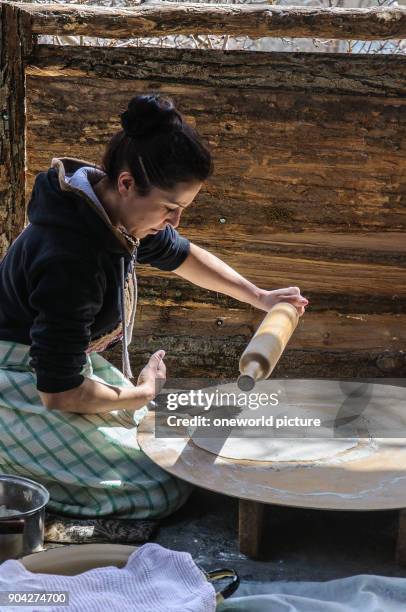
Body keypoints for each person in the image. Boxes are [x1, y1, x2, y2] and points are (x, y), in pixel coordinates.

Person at [0, 94, 308, 519]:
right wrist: (140, 393)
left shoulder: (110, 212)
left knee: (167, 438)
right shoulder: (69, 257)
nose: (174, 221)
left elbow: (179, 253)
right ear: (126, 183)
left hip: (54, 369)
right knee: (157, 484)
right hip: (17, 378)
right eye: (170, 208)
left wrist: (260, 297)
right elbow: (58, 391)